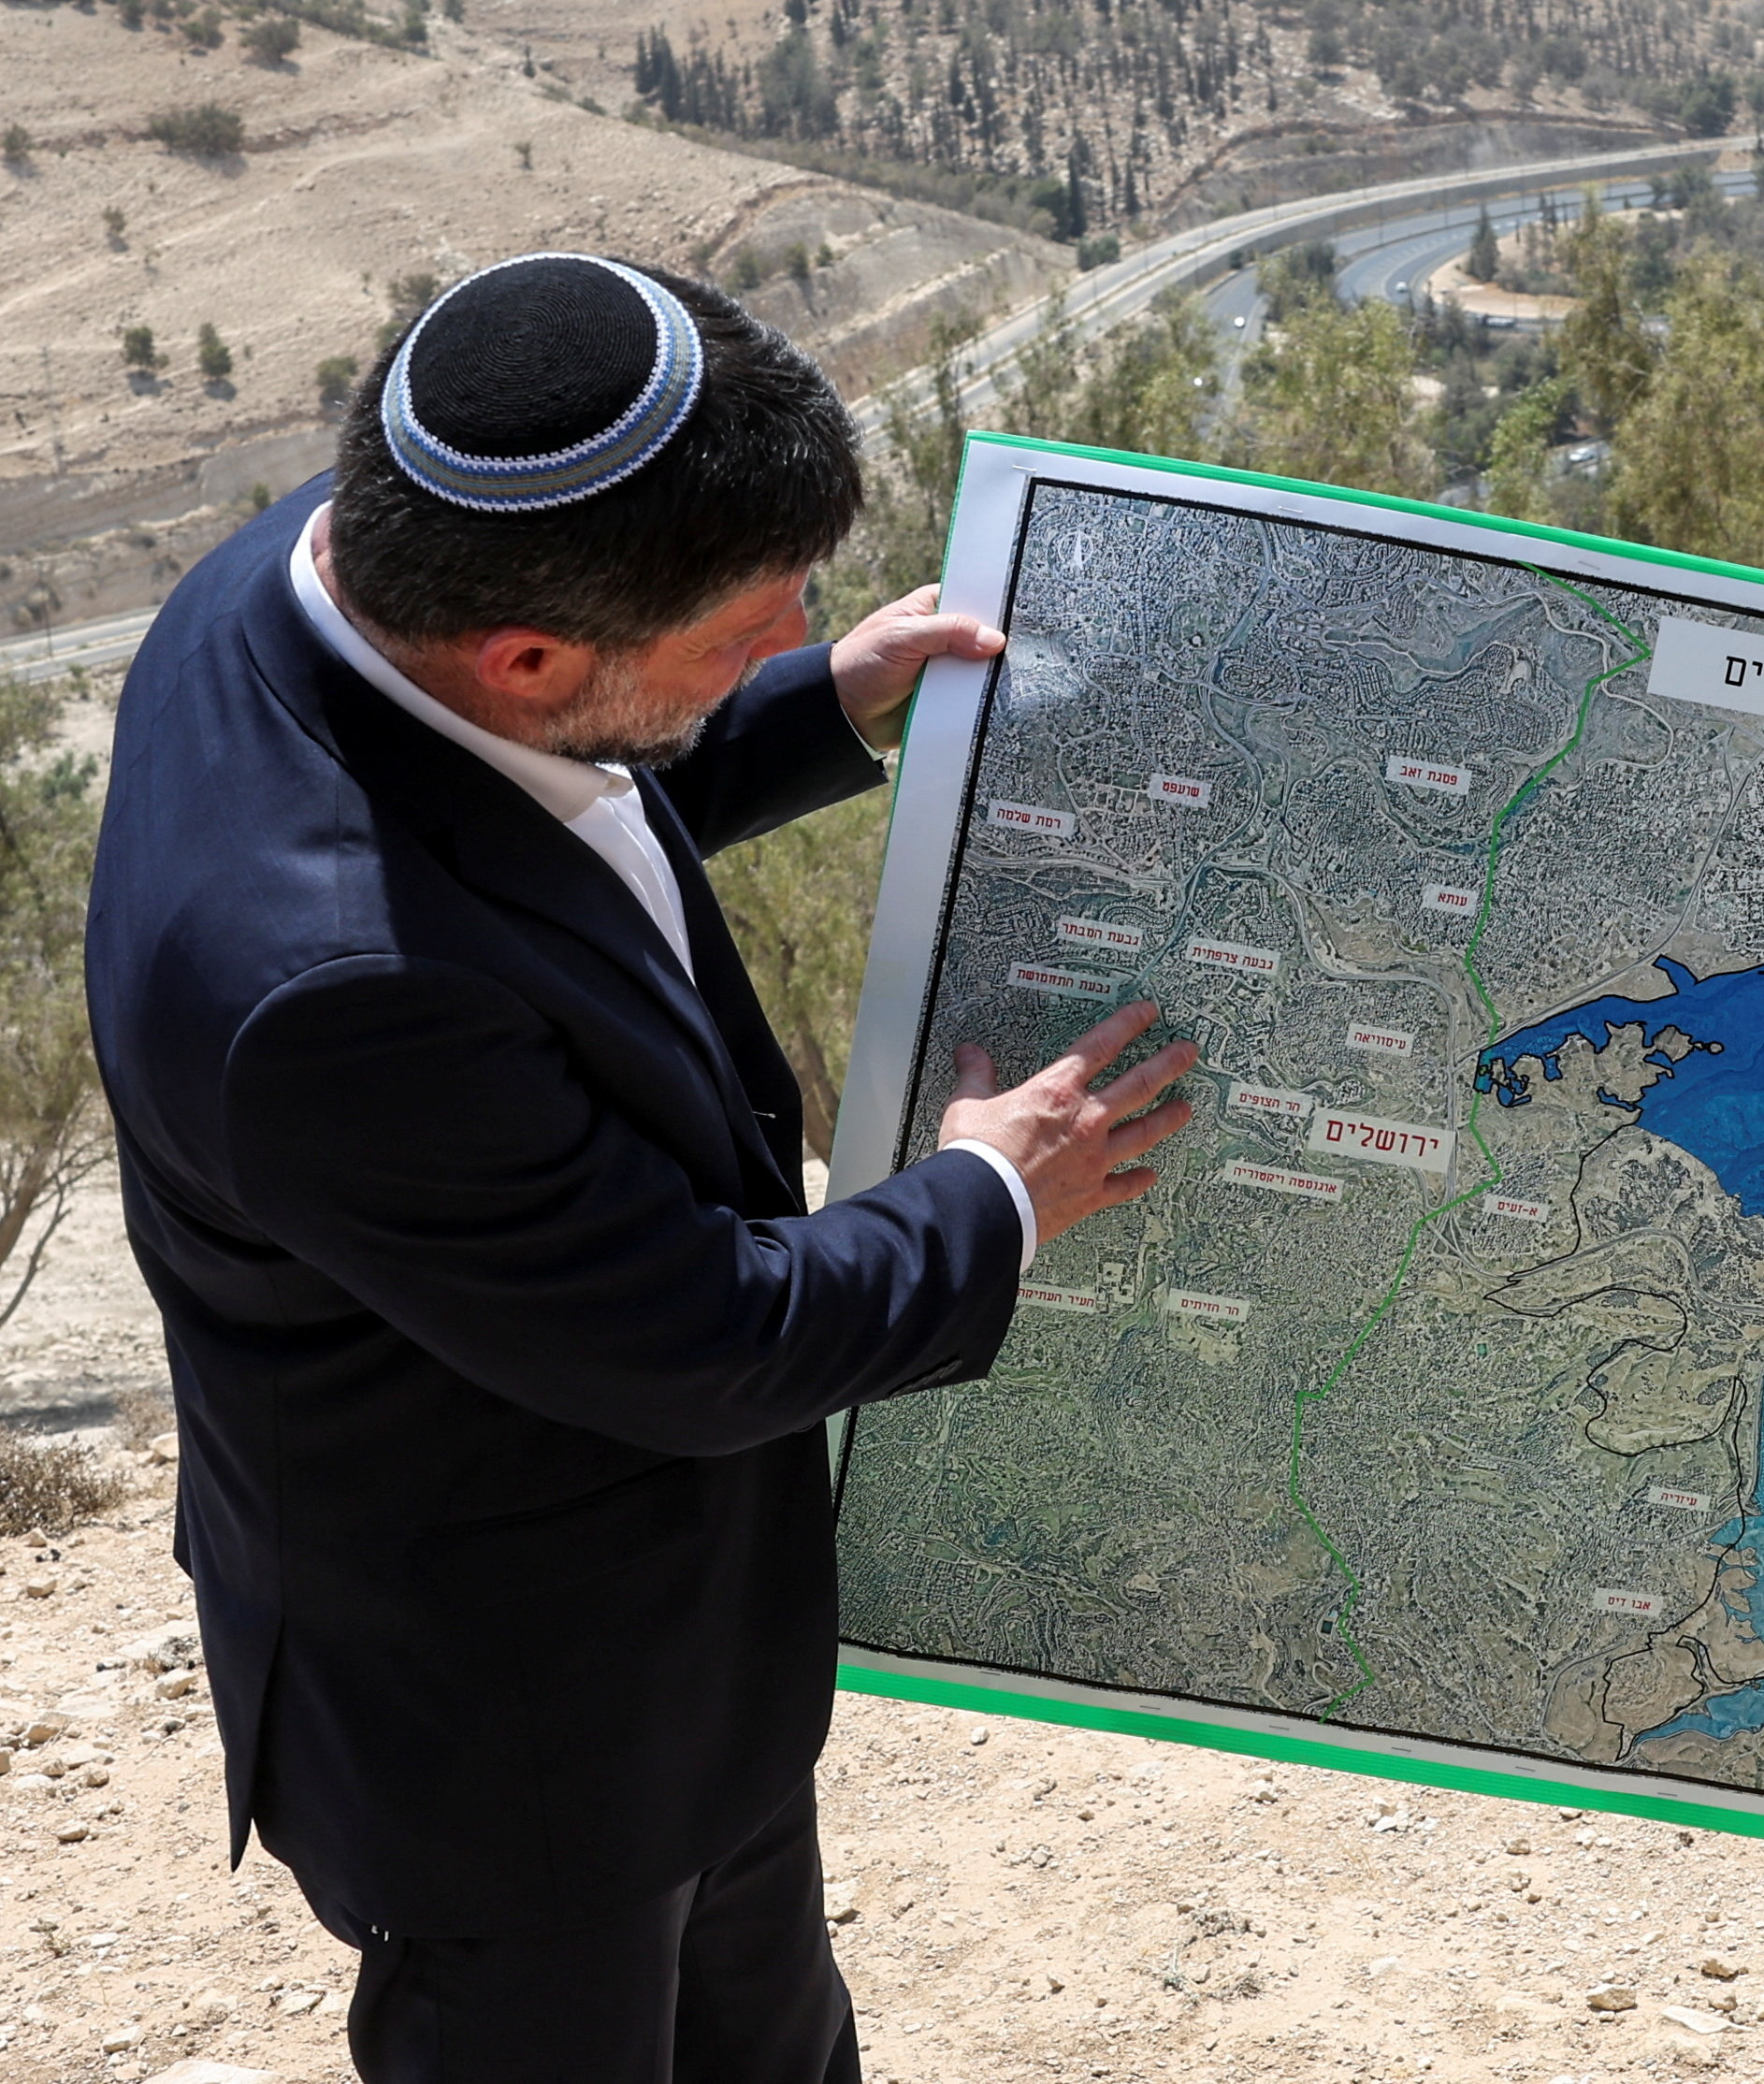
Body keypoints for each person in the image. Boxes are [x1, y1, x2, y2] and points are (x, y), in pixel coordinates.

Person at [87, 253, 1196, 2080]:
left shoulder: (387, 550)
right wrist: (998, 1185)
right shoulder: (320, 988)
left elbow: (532, 808)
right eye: (744, 632)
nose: (788, 628)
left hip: (682, 1656)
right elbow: (700, 1335)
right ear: (530, 654)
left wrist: (818, 700)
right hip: (504, 1733)